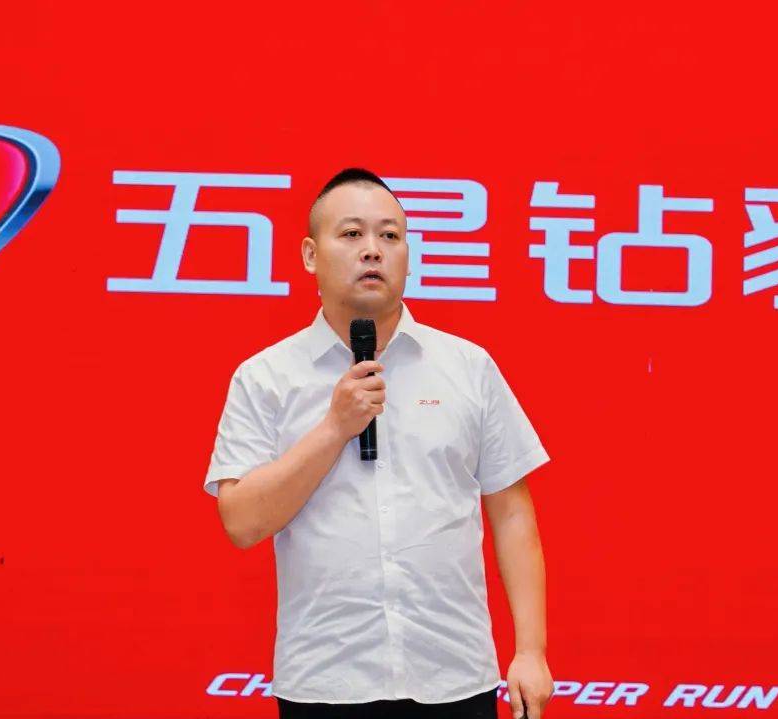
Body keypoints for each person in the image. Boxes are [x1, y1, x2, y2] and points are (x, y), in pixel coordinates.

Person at [204, 167, 553, 719]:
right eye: (351, 234)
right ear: (310, 255)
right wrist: (334, 428)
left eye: (389, 235)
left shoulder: (468, 367)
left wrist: (531, 652)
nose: (373, 249)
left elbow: (512, 513)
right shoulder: (265, 377)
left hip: (454, 676)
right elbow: (241, 521)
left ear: (408, 256)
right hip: (326, 680)